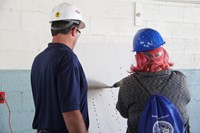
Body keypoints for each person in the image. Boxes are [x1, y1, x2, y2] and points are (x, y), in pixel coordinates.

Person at [116, 28, 191, 133]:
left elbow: (123, 112)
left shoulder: (129, 84)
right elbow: (187, 100)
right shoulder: (180, 79)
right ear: (163, 53)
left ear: (138, 56)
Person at [31, 2, 89, 133]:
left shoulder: (39, 59)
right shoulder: (67, 59)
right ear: (74, 30)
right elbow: (71, 113)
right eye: (79, 31)